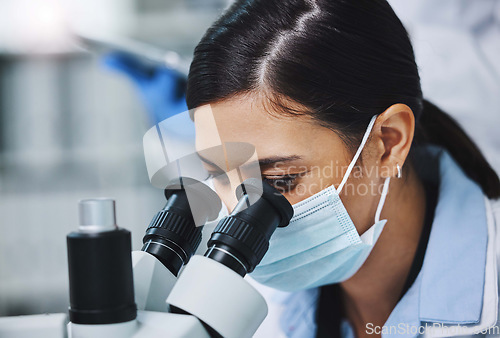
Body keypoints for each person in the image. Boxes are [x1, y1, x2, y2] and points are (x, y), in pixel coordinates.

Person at [185, 0, 500, 337]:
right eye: (218, 175)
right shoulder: (263, 310)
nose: (238, 216)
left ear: (388, 143)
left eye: (279, 181)